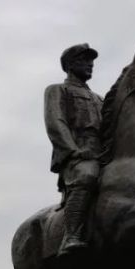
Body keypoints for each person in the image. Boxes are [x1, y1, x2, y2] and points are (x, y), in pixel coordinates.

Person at [44, 43, 104, 256]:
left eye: (92, 61)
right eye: (84, 60)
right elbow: (55, 123)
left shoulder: (99, 99)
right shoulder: (57, 90)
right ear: (70, 65)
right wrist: (73, 151)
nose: (91, 64)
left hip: (102, 154)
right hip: (77, 157)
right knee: (87, 175)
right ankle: (71, 235)